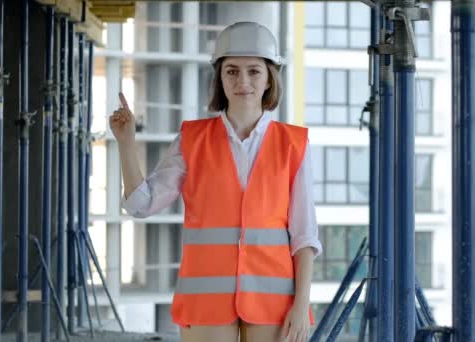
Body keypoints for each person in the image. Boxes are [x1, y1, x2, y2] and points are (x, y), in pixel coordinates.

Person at [110, 21, 322, 342]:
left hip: (275, 300)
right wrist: (126, 143)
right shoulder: (192, 139)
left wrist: (301, 302)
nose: (243, 81)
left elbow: (304, 234)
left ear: (269, 79)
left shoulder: (293, 144)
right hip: (206, 302)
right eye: (232, 71)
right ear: (220, 78)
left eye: (254, 71)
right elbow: (141, 204)